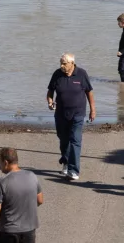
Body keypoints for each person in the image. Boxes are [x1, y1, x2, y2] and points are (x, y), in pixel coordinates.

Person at [46, 53, 96, 181]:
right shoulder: (57, 74)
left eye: (64, 63)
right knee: (63, 139)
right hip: (61, 114)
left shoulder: (81, 74)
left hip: (78, 114)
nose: (62, 66)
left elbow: (89, 92)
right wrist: (50, 102)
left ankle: (73, 171)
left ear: (72, 63)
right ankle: (66, 161)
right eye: (61, 63)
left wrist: (93, 110)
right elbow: (50, 91)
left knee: (75, 140)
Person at [0, 147, 43, 243]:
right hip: (29, 230)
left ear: (5, 162)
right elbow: (40, 200)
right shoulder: (32, 176)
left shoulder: (3, 182)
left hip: (8, 232)